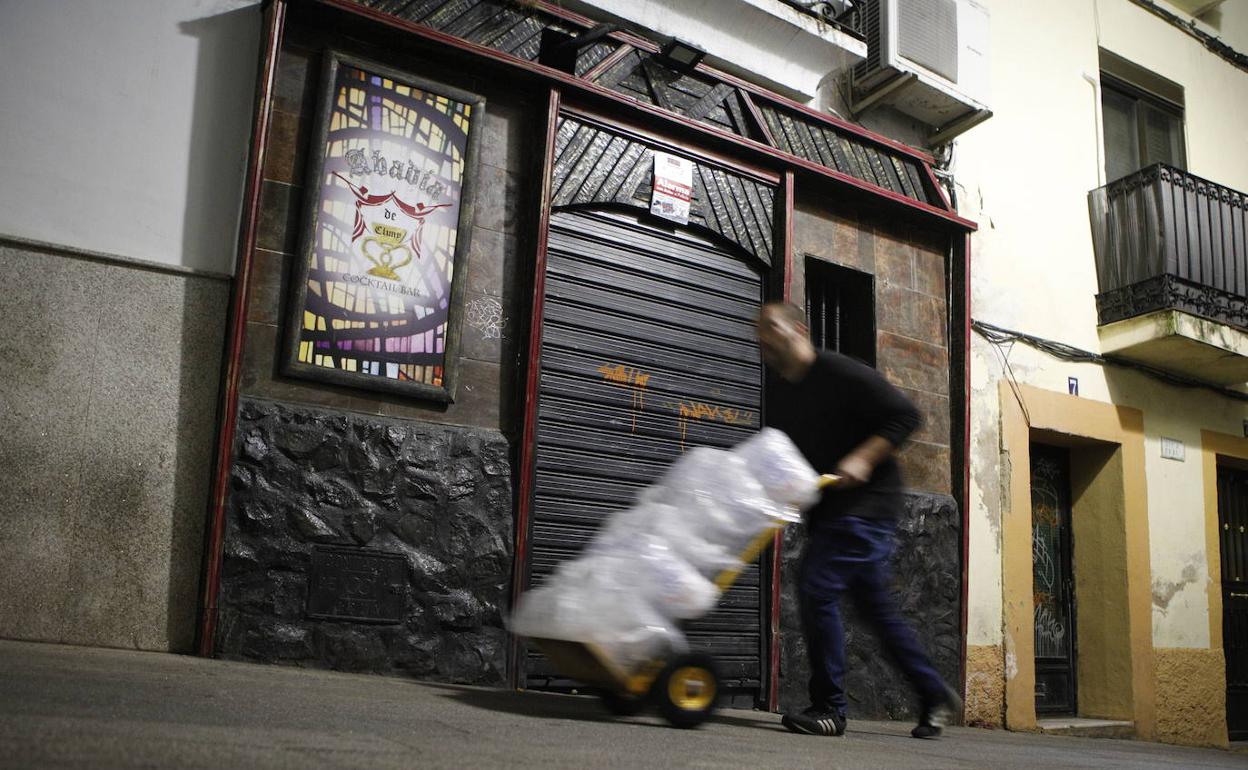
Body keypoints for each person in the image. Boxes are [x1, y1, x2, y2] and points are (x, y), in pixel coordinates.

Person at [755, 301, 961, 740]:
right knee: (878, 613)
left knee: (816, 586)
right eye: (759, 331)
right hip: (829, 511)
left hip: (867, 507)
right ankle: (933, 692)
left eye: (770, 327)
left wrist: (864, 457)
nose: (763, 338)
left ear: (799, 328)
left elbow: (906, 416)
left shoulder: (838, 371)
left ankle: (830, 707)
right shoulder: (781, 392)